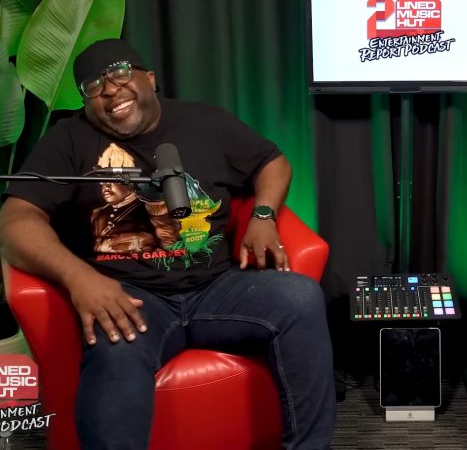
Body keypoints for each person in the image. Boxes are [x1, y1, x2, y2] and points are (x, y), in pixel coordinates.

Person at [0, 39, 335, 449]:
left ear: (150, 79)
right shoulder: (67, 140)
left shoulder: (205, 122)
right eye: (94, 86)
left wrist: (263, 216)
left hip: (218, 288)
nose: (110, 89)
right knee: (114, 346)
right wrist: (79, 277)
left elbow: (272, 161)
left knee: (300, 298)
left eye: (120, 73)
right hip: (130, 297)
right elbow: (15, 221)